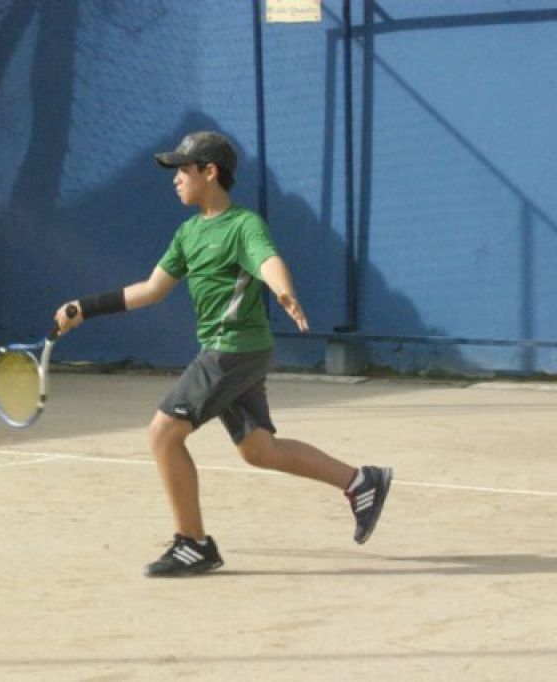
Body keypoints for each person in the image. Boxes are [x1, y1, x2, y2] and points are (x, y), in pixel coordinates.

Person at [54, 131, 392, 578]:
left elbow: (266, 259)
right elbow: (152, 289)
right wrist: (86, 307)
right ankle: (359, 482)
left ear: (209, 172)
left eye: (183, 170)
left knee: (163, 433)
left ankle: (192, 544)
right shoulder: (189, 233)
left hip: (231, 350)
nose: (176, 179)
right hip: (237, 351)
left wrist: (284, 291)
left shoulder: (243, 225)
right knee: (259, 450)